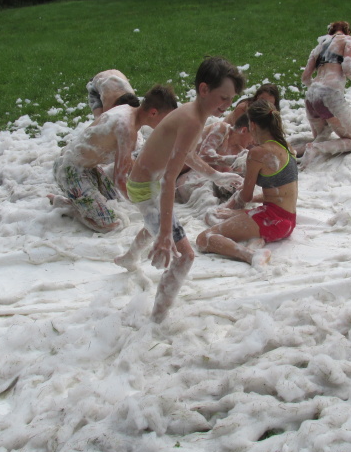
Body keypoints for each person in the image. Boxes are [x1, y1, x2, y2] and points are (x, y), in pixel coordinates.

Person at [114, 56, 245, 323]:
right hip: (146, 188)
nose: (227, 105)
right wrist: (165, 235)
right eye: (223, 98)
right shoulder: (192, 121)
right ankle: (157, 320)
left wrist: (216, 175)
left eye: (231, 100)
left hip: (145, 183)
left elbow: (187, 155)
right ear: (204, 89)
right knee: (185, 256)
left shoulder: (195, 114)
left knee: (156, 221)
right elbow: (168, 180)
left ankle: (129, 257)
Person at [50, 85, 178, 232]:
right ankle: (68, 207)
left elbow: (128, 164)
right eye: (167, 119)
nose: (167, 124)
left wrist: (150, 182)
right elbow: (120, 179)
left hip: (88, 169)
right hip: (70, 171)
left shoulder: (128, 110)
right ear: (153, 112)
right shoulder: (127, 128)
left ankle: (82, 203)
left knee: (116, 201)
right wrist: (145, 206)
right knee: (111, 224)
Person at [197, 100, 298, 266]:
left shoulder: (257, 153)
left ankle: (251, 256)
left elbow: (246, 196)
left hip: (272, 220)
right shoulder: (287, 147)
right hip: (288, 220)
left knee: (204, 238)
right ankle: (256, 240)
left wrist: (237, 186)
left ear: (252, 125)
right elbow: (278, 193)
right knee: (225, 215)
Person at [298, 21, 351, 167]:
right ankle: (314, 148)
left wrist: (317, 88)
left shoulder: (319, 45)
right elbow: (347, 67)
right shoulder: (348, 40)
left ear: (330, 31)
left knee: (322, 136)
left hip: (311, 96)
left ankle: (292, 152)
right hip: (330, 95)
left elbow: (305, 78)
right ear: (348, 31)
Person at [175, 113, 253, 203]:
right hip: (180, 173)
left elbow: (227, 177)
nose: (255, 142)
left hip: (199, 178)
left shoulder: (241, 151)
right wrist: (233, 160)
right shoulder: (223, 128)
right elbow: (204, 155)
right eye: (254, 136)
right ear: (244, 130)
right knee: (206, 198)